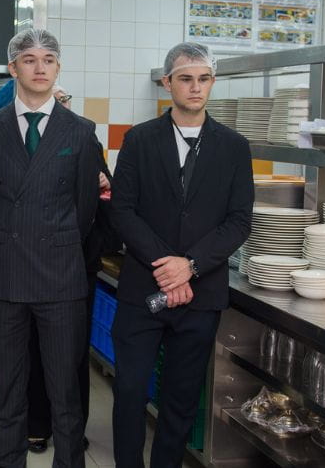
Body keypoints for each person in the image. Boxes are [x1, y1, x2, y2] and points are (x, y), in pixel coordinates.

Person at [110, 42, 254, 468]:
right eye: (185, 79)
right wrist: (167, 267)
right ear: (167, 82)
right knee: (131, 391)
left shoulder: (233, 146)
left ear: (212, 83)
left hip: (201, 294)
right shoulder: (138, 139)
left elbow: (238, 220)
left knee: (180, 398)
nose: (195, 88)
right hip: (142, 290)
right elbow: (122, 209)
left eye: (203, 79)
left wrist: (189, 266)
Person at [0, 28, 101, 468]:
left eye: (48, 59)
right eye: (29, 59)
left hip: (61, 280)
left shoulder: (80, 132)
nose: (40, 67)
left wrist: (55, 241)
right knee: (9, 393)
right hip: (5, 278)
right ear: (13, 69)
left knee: (65, 397)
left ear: (58, 67)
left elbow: (84, 211)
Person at [26, 85, 117, 454]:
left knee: (73, 352)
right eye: (54, 102)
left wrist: (104, 185)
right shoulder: (24, 141)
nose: (60, 107)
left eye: (64, 101)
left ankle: (71, 426)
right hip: (32, 261)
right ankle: (36, 424)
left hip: (78, 261)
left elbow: (108, 191)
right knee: (33, 347)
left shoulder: (85, 137)